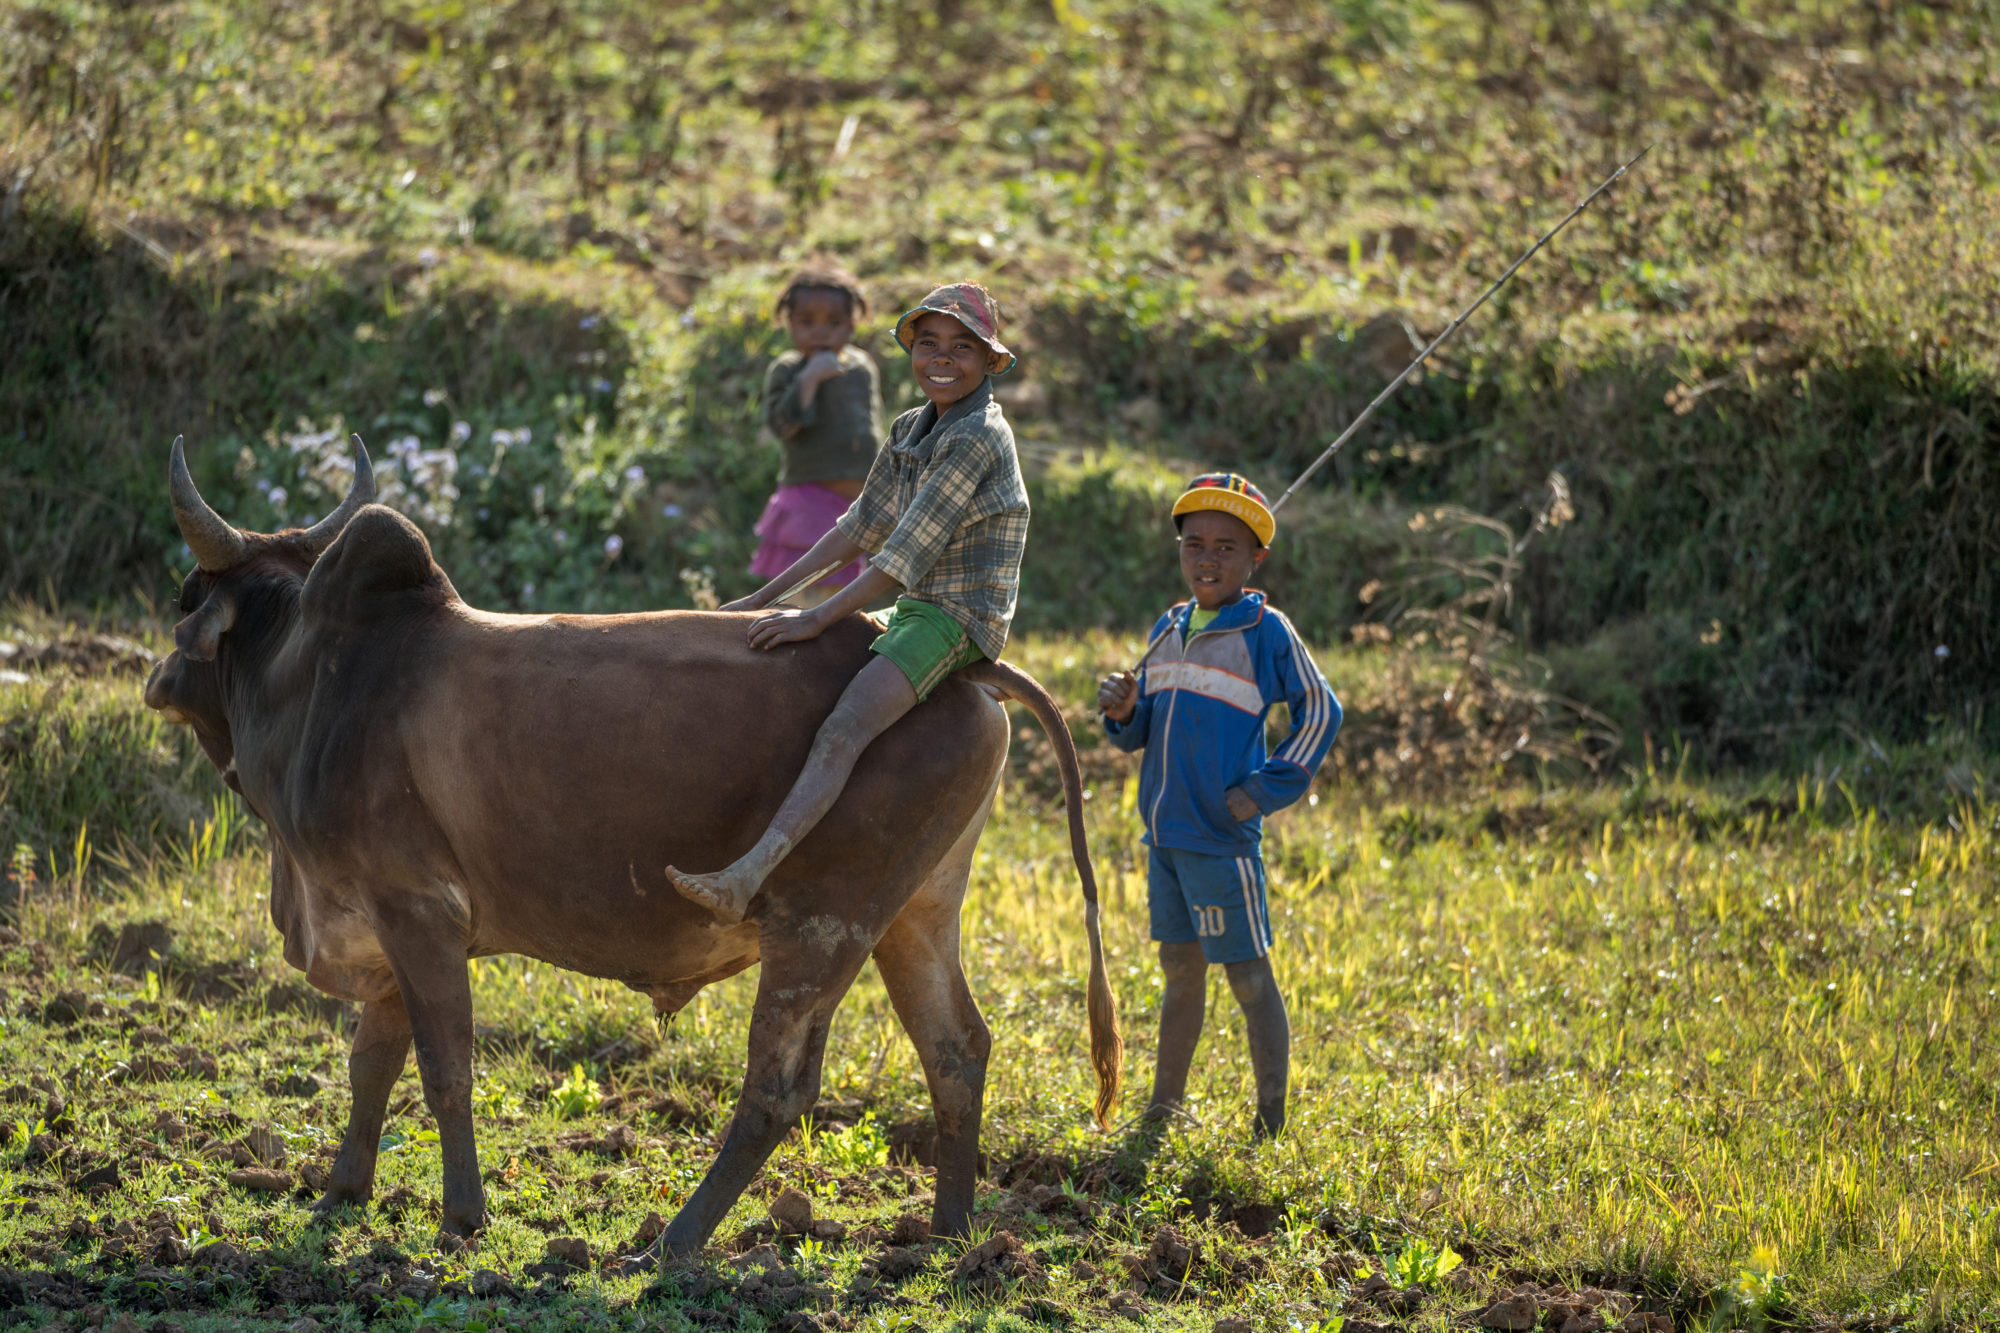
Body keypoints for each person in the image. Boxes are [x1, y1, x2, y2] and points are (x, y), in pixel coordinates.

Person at [668, 282, 1026, 924]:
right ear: (909, 352)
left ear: (990, 362)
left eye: (962, 348)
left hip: (957, 614)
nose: (942, 359)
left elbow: (899, 558)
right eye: (928, 344)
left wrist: (814, 615)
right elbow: (860, 525)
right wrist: (763, 596)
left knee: (843, 728)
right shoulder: (912, 427)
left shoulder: (974, 437)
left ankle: (746, 876)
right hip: (919, 602)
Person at [1096, 473, 1341, 1139]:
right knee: (1180, 970)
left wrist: (1263, 789)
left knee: (1248, 974)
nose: (1208, 559)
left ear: (1255, 558)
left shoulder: (1267, 631)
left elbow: (1321, 708)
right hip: (1166, 837)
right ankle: (1164, 1106)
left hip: (1221, 839)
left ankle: (1271, 1123)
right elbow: (1142, 726)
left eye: (1227, 548)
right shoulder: (1169, 626)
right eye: (1195, 544)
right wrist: (1122, 711)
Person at [750, 262, 886, 606]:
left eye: (834, 322)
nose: (821, 332)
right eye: (807, 322)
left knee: (838, 600)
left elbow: (871, 426)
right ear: (789, 322)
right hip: (807, 502)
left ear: (853, 323)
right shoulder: (787, 369)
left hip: (852, 507)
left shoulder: (860, 368)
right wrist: (808, 379)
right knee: (800, 598)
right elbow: (783, 426)